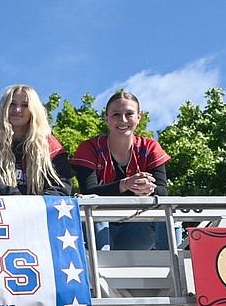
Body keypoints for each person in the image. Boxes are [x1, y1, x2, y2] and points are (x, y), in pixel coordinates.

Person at [71, 91, 171, 250]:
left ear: (139, 117)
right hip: (98, 227)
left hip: (136, 226)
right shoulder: (89, 148)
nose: (123, 120)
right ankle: (100, 271)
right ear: (106, 118)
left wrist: (149, 189)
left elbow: (163, 191)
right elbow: (89, 191)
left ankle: (173, 270)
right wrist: (125, 184)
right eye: (116, 114)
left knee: (170, 218)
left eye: (129, 114)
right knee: (96, 212)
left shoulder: (150, 147)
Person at [0, 85, 72, 196]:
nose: (17, 110)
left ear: (34, 111)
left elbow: (62, 185)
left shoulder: (49, 144)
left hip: (41, 210)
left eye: (25, 105)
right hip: (2, 211)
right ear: (3, 108)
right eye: (12, 104)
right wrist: (19, 202)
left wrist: (37, 204)